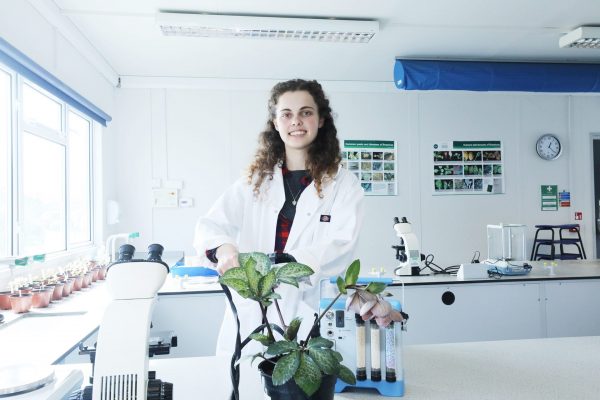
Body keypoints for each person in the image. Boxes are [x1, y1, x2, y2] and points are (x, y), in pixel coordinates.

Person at [194, 79, 365, 355]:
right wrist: (224, 247)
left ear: (321, 120)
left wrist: (288, 265)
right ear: (275, 123)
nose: (296, 121)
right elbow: (210, 225)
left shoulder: (344, 185)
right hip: (253, 312)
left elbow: (342, 245)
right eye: (286, 114)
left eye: (306, 112)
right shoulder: (254, 182)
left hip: (309, 313)